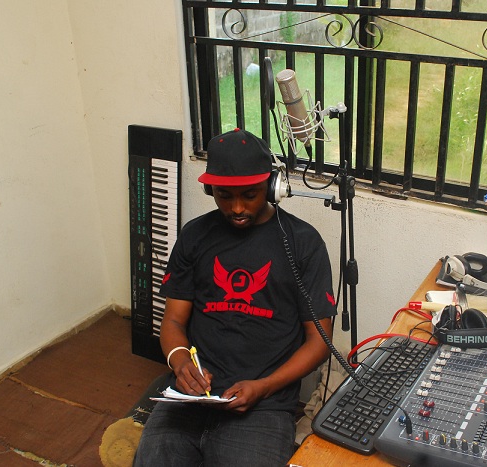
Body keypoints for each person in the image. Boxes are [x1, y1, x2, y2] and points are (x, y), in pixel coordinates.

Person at [134, 128, 337, 466]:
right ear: (210, 189)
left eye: (250, 195)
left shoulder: (304, 243)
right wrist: (180, 363)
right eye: (224, 196)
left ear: (271, 186)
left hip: (263, 405)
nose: (237, 208)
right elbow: (173, 321)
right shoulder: (194, 236)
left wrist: (264, 387)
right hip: (190, 396)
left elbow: (319, 342)